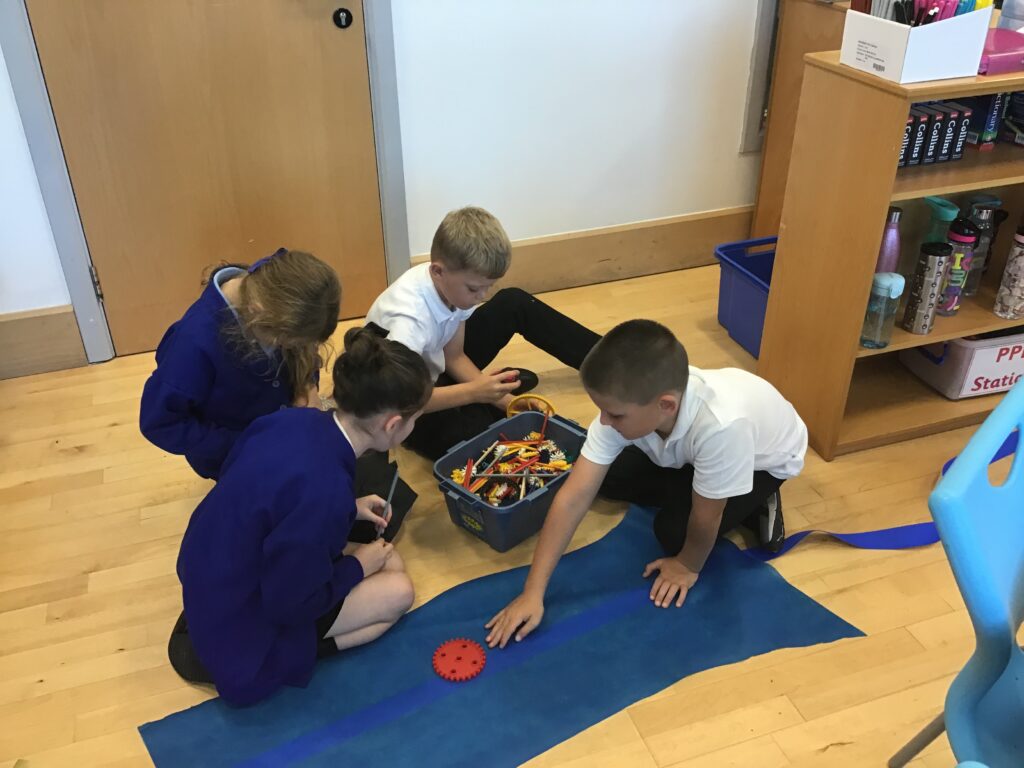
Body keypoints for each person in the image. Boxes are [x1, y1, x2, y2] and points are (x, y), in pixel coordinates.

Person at [485, 319, 808, 648]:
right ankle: (704, 481)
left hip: (761, 463)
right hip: (693, 453)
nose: (604, 421)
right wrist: (533, 592)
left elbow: (707, 517)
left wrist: (687, 565)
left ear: (665, 405)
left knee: (675, 534)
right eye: (602, 411)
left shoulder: (722, 427)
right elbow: (573, 496)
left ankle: (759, 496)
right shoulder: (637, 406)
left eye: (615, 415)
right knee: (606, 478)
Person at [169, 327, 432, 706]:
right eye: (414, 420)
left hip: (214, 571)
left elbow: (264, 495)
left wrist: (350, 509)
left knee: (390, 561)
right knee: (399, 592)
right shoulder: (325, 492)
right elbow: (290, 603)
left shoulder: (293, 420)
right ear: (392, 424)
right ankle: (292, 655)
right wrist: (357, 566)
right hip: (243, 624)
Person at [364, 206, 601, 460]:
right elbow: (400, 402)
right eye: (474, 289)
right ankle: (482, 401)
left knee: (514, 302)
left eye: (487, 287)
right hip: (402, 402)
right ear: (437, 271)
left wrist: (504, 400)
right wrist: (477, 392)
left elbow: (454, 356)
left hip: (431, 367)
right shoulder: (409, 322)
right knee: (480, 437)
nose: (482, 296)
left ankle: (613, 363)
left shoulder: (453, 287)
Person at [140, 248, 339, 480]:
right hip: (237, 457)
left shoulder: (273, 290)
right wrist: (243, 444)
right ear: (258, 314)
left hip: (277, 436)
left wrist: (307, 385)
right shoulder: (192, 344)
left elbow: (303, 345)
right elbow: (160, 421)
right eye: (287, 343)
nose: (294, 347)